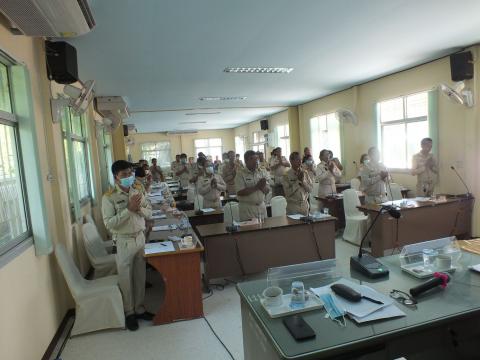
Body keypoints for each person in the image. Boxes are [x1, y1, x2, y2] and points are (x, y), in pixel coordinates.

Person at [102, 160, 154, 331]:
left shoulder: (137, 190)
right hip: (123, 241)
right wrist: (129, 209)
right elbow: (110, 224)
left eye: (130, 173)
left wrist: (139, 210)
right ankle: (129, 312)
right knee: (125, 278)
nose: (129, 176)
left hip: (140, 237)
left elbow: (149, 211)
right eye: (124, 174)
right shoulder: (109, 197)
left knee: (140, 276)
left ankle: (139, 309)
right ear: (116, 177)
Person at [235, 150, 270, 221]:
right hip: (248, 209)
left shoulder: (261, 172)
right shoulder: (240, 174)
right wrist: (257, 187)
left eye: (256, 160)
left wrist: (262, 187)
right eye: (252, 160)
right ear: (246, 161)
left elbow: (267, 190)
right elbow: (240, 192)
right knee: (250, 231)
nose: (255, 162)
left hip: (261, 208)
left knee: (265, 230)